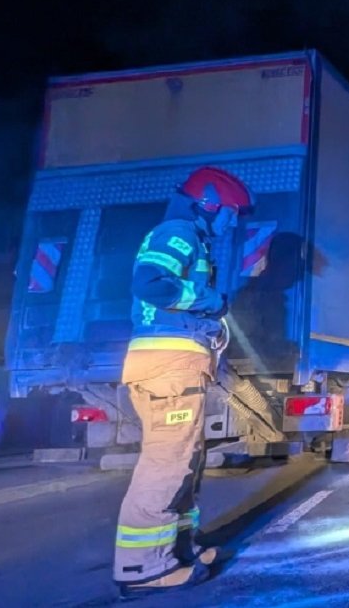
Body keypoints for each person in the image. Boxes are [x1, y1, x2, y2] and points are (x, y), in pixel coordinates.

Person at [113, 166, 253, 597]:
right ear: (208, 203)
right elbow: (150, 283)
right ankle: (142, 568)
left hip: (177, 365)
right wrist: (208, 300)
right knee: (166, 463)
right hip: (168, 365)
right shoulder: (178, 232)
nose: (231, 222)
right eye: (229, 213)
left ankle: (178, 550)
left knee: (186, 462)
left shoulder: (193, 239)